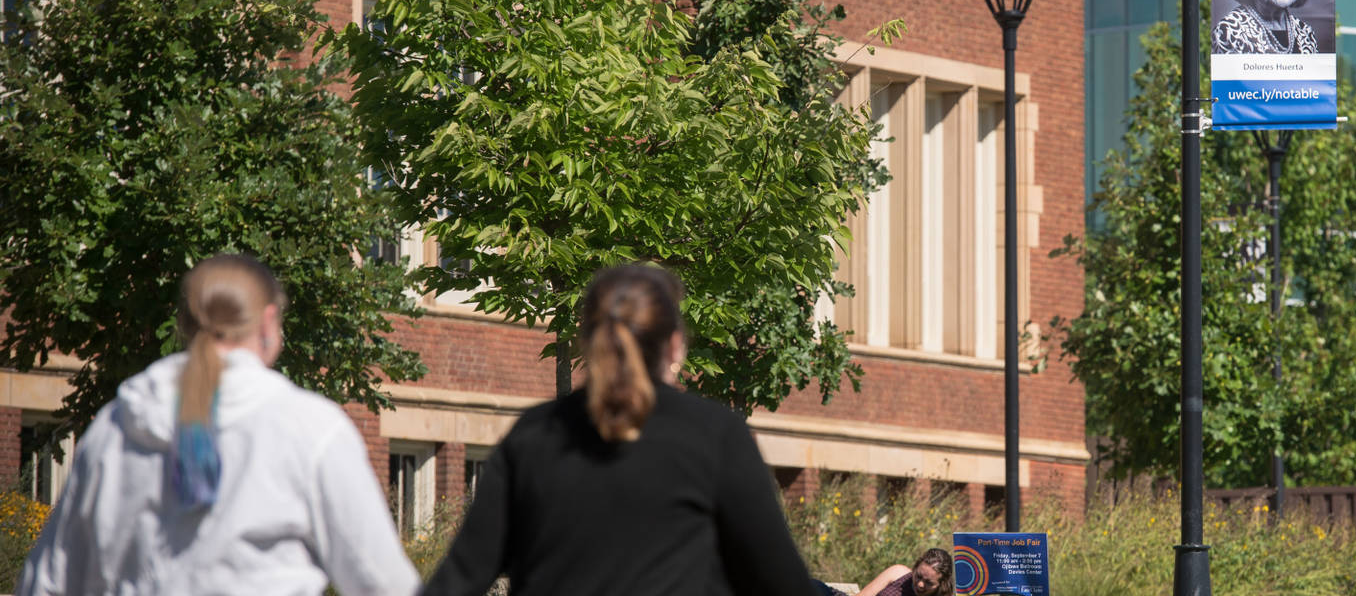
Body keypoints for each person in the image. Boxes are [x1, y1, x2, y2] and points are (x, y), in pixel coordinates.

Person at [16, 253, 417, 596]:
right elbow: (382, 582)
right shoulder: (309, 430)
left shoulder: (115, 428)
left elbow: (48, 580)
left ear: (185, 324)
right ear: (268, 322)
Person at [419, 263, 818, 596]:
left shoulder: (534, 435)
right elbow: (780, 583)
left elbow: (459, 581)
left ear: (586, 342)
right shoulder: (715, 436)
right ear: (676, 346)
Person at [852, 548, 954, 596]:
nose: (920, 584)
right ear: (916, 567)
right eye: (918, 576)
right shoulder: (898, 572)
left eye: (929, 583)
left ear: (942, 584)